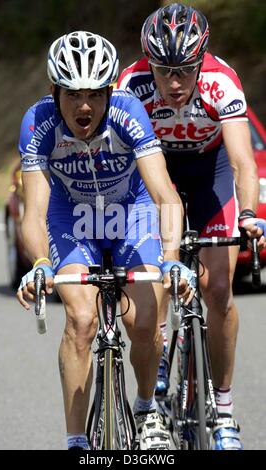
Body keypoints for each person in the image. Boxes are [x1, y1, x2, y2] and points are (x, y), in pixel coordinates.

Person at [16, 30, 195, 450]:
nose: (84, 106)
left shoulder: (129, 112)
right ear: (54, 91)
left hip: (130, 214)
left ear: (109, 93)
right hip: (71, 219)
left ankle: (148, 408)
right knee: (80, 321)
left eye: (96, 94)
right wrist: (40, 263)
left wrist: (170, 259)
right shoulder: (38, 122)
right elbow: (35, 212)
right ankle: (76, 440)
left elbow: (164, 194)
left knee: (145, 321)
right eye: (73, 95)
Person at [117, 3, 266, 450]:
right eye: (164, 71)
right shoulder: (131, 84)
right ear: (149, 64)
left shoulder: (221, 81)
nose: (175, 83)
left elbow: (242, 160)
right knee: (159, 272)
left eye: (185, 70)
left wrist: (247, 214)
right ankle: (158, 352)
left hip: (209, 173)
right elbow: (124, 165)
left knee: (218, 288)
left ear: (201, 61)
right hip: (155, 174)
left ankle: (222, 412)